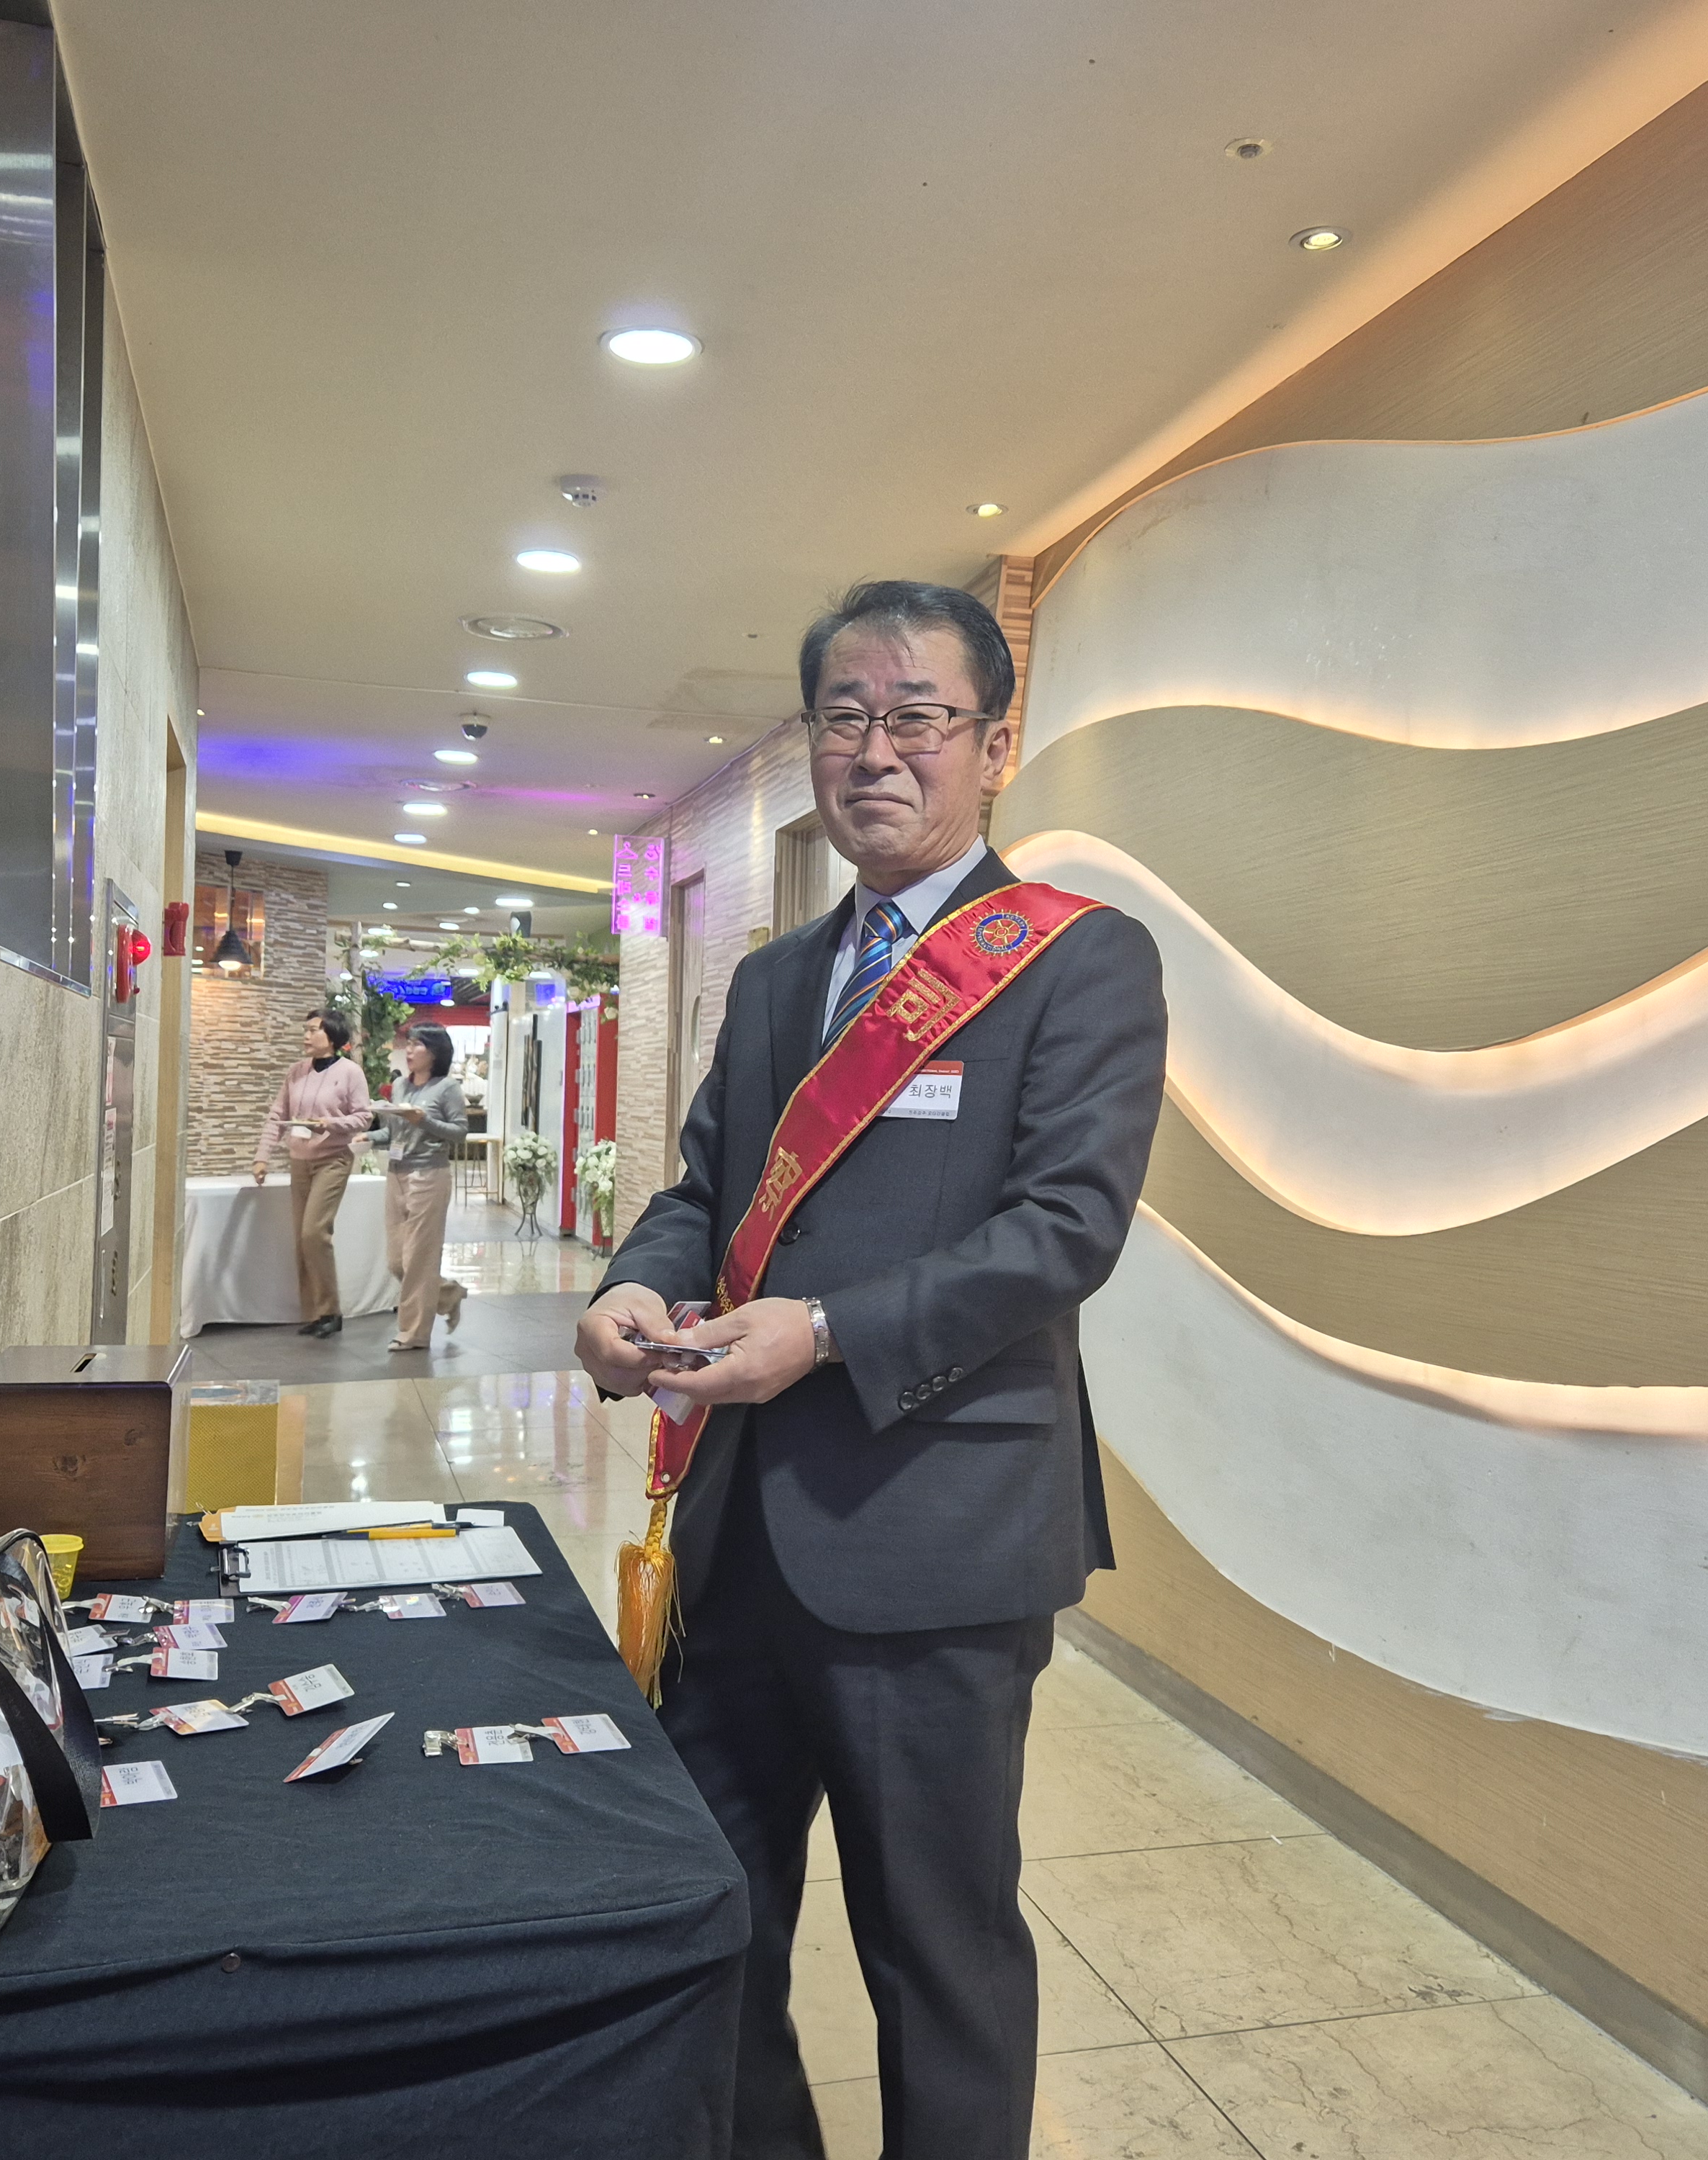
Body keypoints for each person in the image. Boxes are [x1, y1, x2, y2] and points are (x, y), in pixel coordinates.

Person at [574, 580, 1168, 2159]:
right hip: (732, 1540)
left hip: (936, 1545)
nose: (875, 751)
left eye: (917, 717)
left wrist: (825, 1329)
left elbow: (1066, 1230)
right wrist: (632, 1283)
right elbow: (705, 1191)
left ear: (993, 744)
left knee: (936, 1954)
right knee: (709, 1923)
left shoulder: (1079, 963)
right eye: (844, 717)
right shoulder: (777, 978)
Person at [250, 1010, 374, 1336]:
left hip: (333, 1160)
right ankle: (315, 1313)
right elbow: (278, 1116)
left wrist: (330, 1124)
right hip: (299, 1162)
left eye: (313, 1030)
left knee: (314, 1233)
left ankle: (331, 1311)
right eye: (305, 1029)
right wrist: (262, 1157)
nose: (306, 1035)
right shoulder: (296, 1072)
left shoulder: (350, 1072)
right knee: (301, 1240)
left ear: (332, 1036)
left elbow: (364, 1117)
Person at [373, 1022, 471, 1352]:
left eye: (417, 1045)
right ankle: (448, 1294)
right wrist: (364, 1137)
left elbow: (460, 1132)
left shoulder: (447, 1088)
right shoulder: (400, 1086)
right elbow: (392, 1134)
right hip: (396, 1174)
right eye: (409, 1043)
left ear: (435, 1052)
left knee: (418, 1259)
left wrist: (424, 1121)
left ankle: (413, 1333)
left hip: (429, 1175)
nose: (409, 1050)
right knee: (397, 1261)